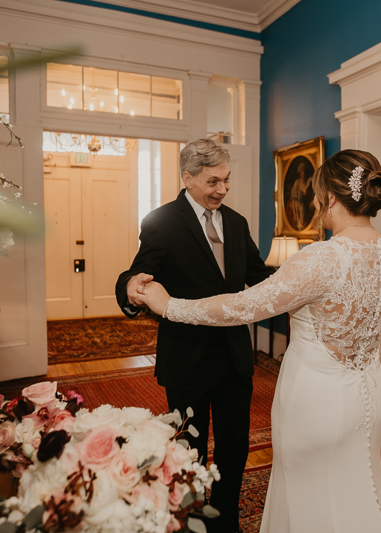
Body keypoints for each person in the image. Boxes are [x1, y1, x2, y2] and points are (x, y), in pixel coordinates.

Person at [134, 149, 381, 533]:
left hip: (316, 400)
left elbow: (244, 306)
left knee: (309, 496)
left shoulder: (322, 257)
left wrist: (170, 306)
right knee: (357, 486)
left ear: (330, 198)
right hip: (369, 395)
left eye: (316, 195)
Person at [115, 139, 275, 533]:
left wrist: (302, 282)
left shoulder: (236, 222)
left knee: (235, 448)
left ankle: (225, 523)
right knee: (189, 450)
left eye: (227, 179)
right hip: (187, 357)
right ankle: (187, 522)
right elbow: (138, 272)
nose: (222, 189)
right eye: (213, 181)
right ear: (187, 178)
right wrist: (130, 286)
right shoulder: (161, 221)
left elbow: (257, 277)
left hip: (235, 355)